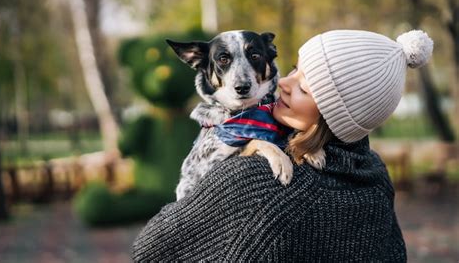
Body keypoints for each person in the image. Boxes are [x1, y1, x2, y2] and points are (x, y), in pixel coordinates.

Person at [132, 29, 433, 262]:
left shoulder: (258, 182)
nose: (284, 83)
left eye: (304, 87)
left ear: (334, 114)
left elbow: (150, 249)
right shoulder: (375, 176)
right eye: (292, 69)